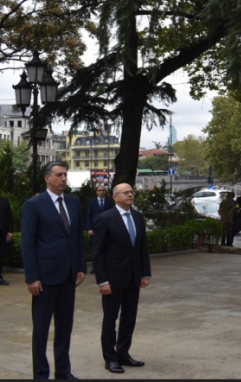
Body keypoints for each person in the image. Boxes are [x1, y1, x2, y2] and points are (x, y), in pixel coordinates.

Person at [20, 161, 86, 379]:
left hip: (68, 276)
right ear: (47, 178)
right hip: (45, 279)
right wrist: (32, 277)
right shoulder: (34, 205)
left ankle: (63, 372)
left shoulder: (74, 202)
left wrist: (80, 266)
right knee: (41, 329)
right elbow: (27, 243)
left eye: (65, 175)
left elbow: (77, 237)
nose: (63, 179)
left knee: (65, 328)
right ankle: (41, 374)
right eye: (58, 175)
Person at [92, 183, 151, 374]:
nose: (130, 195)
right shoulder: (105, 218)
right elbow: (98, 253)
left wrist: (145, 273)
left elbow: (142, 248)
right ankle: (110, 358)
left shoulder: (137, 217)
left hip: (133, 278)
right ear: (115, 197)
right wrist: (102, 281)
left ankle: (123, 353)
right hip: (112, 279)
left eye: (131, 192)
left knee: (129, 317)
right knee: (110, 319)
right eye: (125, 193)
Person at [0, 190, 13, 285]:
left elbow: (9, 216)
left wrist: (10, 230)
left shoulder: (4, 201)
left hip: (2, 233)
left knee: (0, 255)